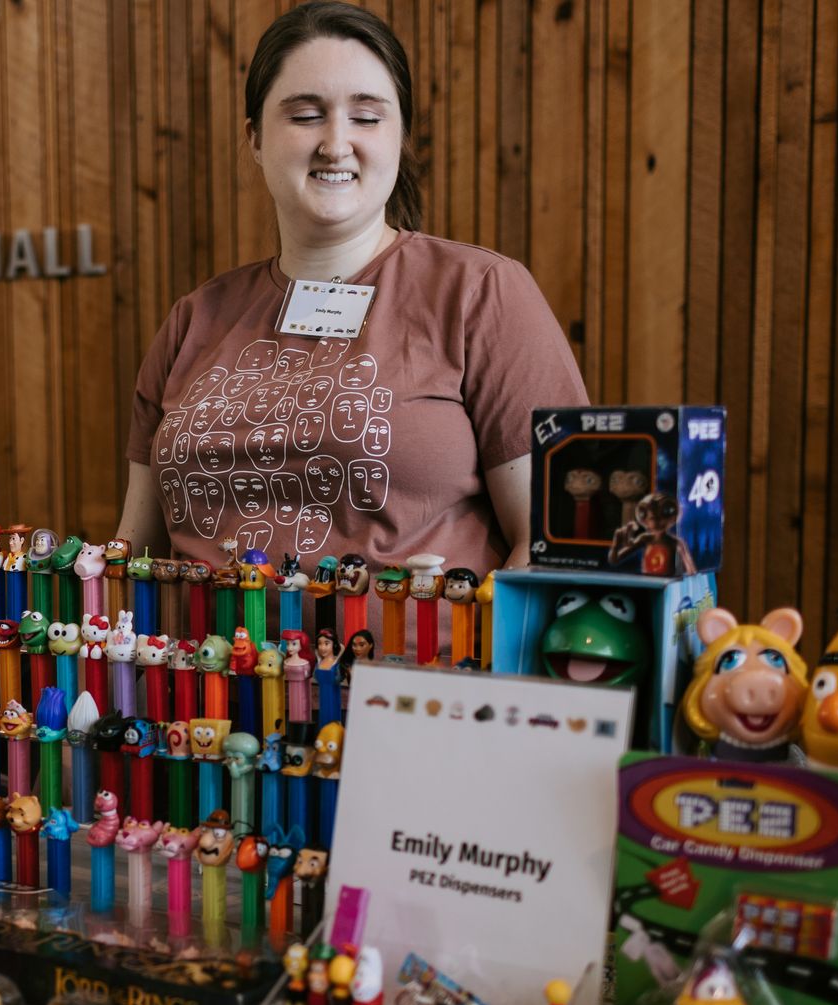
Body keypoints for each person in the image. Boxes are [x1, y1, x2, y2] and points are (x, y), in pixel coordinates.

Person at [117, 2, 586, 581]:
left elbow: (553, 539)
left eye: (366, 117)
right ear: (256, 139)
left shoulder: (482, 292)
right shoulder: (193, 319)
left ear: (400, 137)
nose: (336, 144)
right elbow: (131, 557)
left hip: (409, 666)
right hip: (208, 666)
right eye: (306, 115)